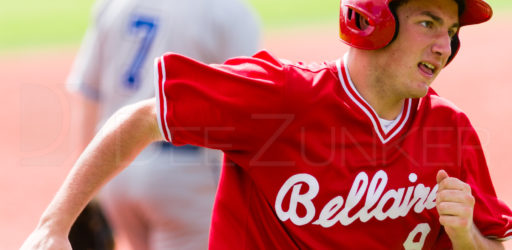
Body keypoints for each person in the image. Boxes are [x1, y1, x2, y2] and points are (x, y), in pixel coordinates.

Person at [22, 0, 512, 249]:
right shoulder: (282, 99)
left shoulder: (451, 130)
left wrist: (469, 236)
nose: (444, 46)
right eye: (429, 22)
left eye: (451, 33)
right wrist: (53, 225)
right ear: (371, 18)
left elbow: (492, 244)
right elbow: (143, 116)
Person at [65, 0, 260, 248]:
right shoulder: (228, 10)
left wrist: (85, 184)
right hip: (183, 175)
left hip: (113, 165)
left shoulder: (115, 4)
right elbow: (243, 102)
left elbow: (89, 93)